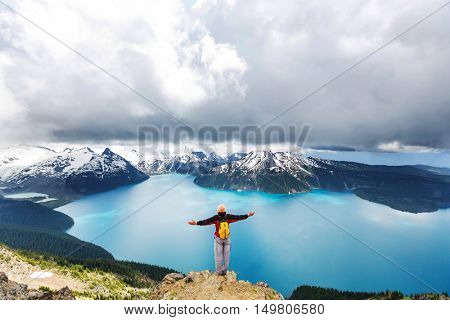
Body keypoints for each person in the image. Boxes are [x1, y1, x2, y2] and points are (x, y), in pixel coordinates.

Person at [188, 204, 255, 275]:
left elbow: (206, 221)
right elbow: (239, 217)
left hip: (218, 240)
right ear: (225, 211)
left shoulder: (216, 218)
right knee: (227, 259)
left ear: (217, 211)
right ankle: (224, 273)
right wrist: (248, 215)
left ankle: (218, 274)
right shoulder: (228, 217)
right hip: (227, 240)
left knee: (218, 258)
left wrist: (196, 223)